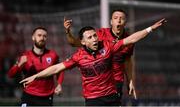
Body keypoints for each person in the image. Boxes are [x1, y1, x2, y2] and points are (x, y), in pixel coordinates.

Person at [20, 18, 166, 106]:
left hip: (112, 96)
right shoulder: (79, 56)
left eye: (95, 36)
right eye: (90, 38)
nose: (95, 39)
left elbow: (131, 39)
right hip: (93, 100)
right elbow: (57, 68)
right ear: (83, 42)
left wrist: (150, 29)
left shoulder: (108, 46)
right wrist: (36, 76)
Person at [64, 9, 136, 101]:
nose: (118, 20)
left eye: (121, 18)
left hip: (116, 81)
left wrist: (130, 80)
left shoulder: (129, 40)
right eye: (115, 18)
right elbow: (74, 43)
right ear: (111, 22)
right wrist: (68, 32)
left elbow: (127, 61)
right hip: (99, 83)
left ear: (125, 22)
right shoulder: (99, 34)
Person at [8, 27, 64, 106]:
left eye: (44, 36)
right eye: (39, 35)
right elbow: (11, 75)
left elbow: (60, 70)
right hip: (29, 95)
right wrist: (19, 65)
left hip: (47, 96)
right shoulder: (25, 56)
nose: (42, 38)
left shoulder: (53, 55)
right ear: (33, 37)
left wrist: (59, 84)